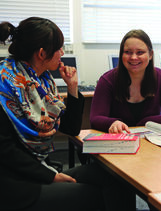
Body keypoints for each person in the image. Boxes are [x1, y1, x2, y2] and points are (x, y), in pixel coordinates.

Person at [0, 17, 134, 210]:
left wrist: (72, 87)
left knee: (115, 178)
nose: (63, 53)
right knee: (93, 196)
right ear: (41, 53)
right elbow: (5, 152)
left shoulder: (42, 82)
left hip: (38, 170)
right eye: (59, 48)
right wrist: (51, 176)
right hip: (15, 184)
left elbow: (70, 129)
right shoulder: (6, 85)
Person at [90, 29, 161, 133]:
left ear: (150, 55)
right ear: (121, 55)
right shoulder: (108, 80)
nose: (134, 57)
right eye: (128, 52)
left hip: (150, 142)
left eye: (140, 52)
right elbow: (95, 118)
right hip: (118, 142)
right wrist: (113, 122)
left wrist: (148, 121)